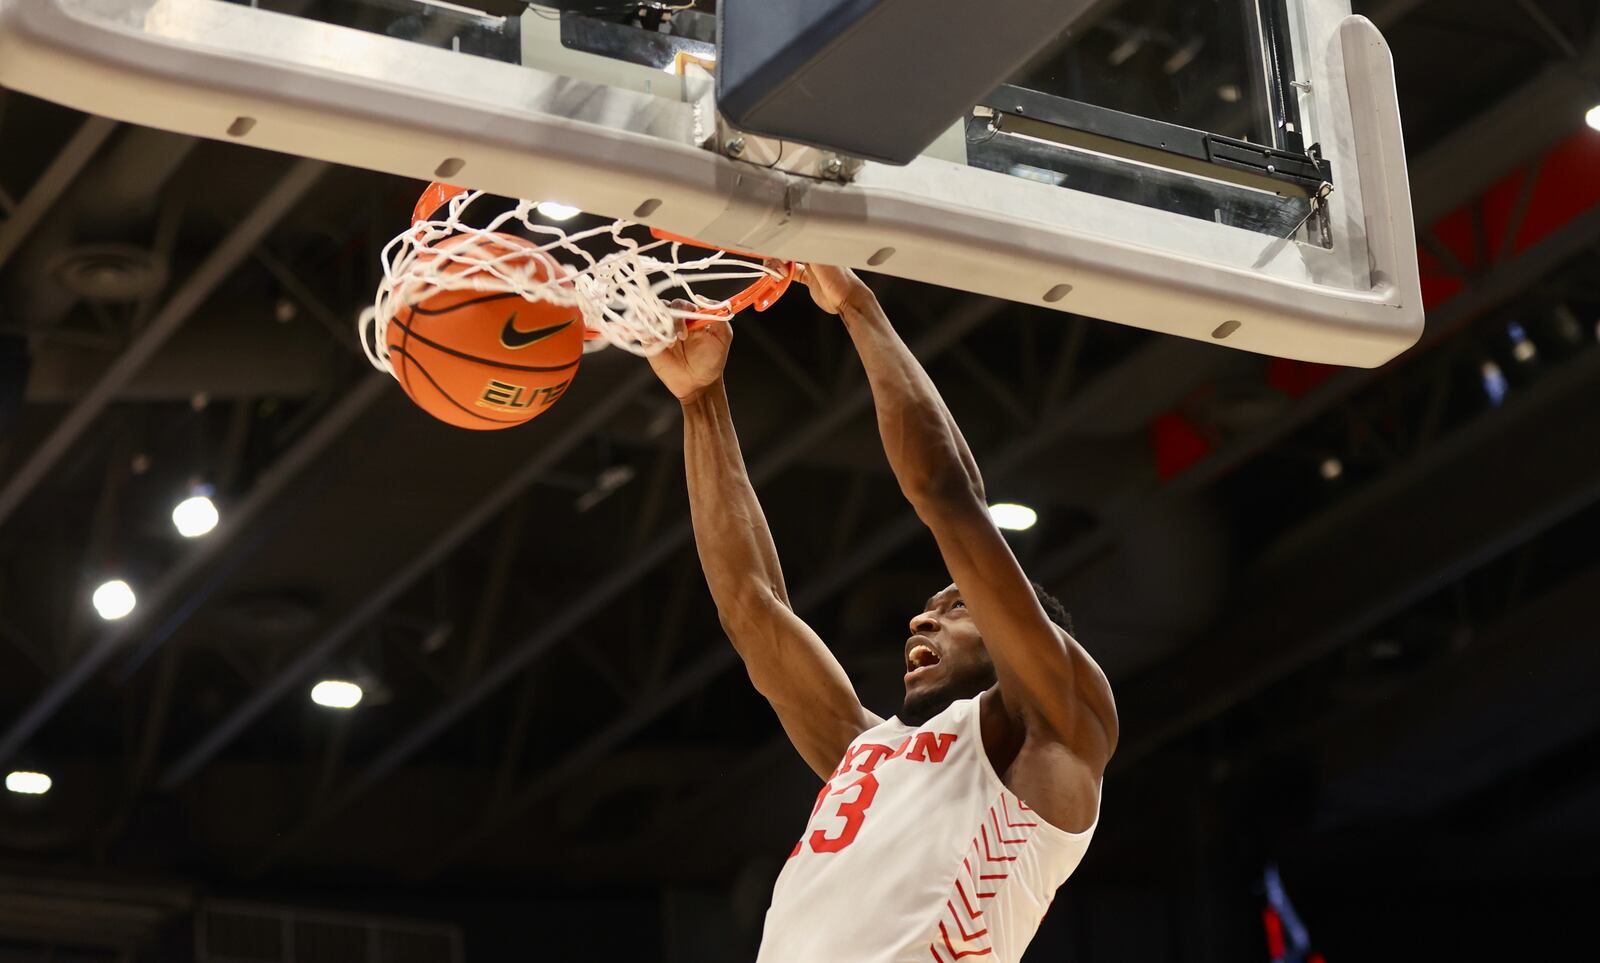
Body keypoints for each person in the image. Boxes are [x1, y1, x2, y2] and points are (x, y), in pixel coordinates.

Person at [648, 266, 1118, 963]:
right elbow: (752, 608)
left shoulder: (1058, 726)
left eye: (954, 605)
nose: (920, 622)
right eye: (926, 610)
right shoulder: (867, 752)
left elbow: (946, 492)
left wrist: (857, 304)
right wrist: (701, 400)